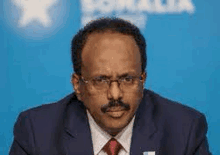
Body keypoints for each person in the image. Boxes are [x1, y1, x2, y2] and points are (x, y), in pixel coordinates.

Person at [9, 18, 212, 155]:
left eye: (127, 79)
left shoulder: (184, 130)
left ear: (143, 80)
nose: (115, 94)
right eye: (100, 80)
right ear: (78, 85)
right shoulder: (37, 133)